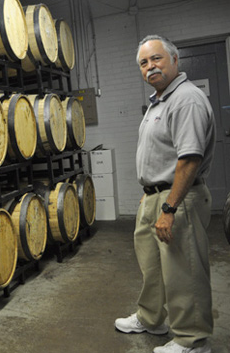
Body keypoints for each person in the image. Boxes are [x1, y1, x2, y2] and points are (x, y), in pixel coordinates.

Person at [114, 35, 216, 353]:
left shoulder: (186, 99)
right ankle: (151, 318)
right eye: (144, 63)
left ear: (174, 60)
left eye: (156, 59)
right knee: (153, 268)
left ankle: (192, 339)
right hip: (155, 196)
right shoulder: (160, 100)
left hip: (178, 199)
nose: (150, 66)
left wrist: (169, 207)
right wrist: (151, 193)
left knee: (183, 271)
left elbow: (189, 159)